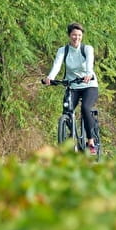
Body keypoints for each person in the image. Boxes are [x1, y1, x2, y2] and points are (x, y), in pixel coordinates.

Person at [42, 22, 100, 155]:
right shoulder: (63, 50)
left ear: (82, 36)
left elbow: (89, 63)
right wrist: (50, 77)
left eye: (79, 35)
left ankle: (90, 142)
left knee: (85, 108)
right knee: (67, 111)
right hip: (72, 85)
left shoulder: (87, 49)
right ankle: (71, 135)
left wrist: (88, 73)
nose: (76, 37)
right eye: (74, 35)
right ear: (69, 35)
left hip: (89, 85)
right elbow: (57, 65)